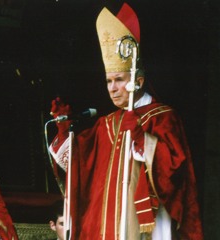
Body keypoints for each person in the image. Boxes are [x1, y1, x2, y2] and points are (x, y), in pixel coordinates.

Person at [49, 3, 203, 240]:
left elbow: (176, 172)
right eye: (109, 81)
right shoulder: (107, 123)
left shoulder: (163, 117)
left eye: (119, 80)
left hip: (146, 223)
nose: (112, 88)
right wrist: (63, 130)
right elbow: (78, 164)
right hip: (106, 224)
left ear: (138, 81)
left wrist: (144, 140)